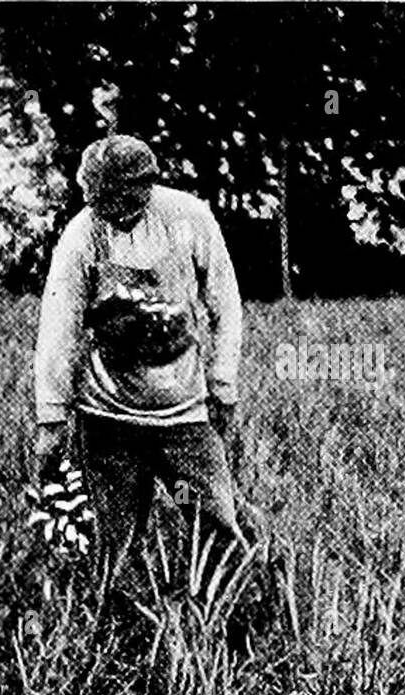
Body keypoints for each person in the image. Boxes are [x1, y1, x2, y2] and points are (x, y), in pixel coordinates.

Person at [32, 134, 247, 604]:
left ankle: (226, 617)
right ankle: (123, 632)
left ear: (148, 185)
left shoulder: (190, 220)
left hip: (185, 415)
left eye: (125, 199)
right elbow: (59, 327)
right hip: (108, 418)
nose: (113, 211)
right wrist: (51, 418)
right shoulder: (81, 237)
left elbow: (225, 305)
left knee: (214, 520)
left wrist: (223, 383)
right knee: (115, 539)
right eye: (101, 201)